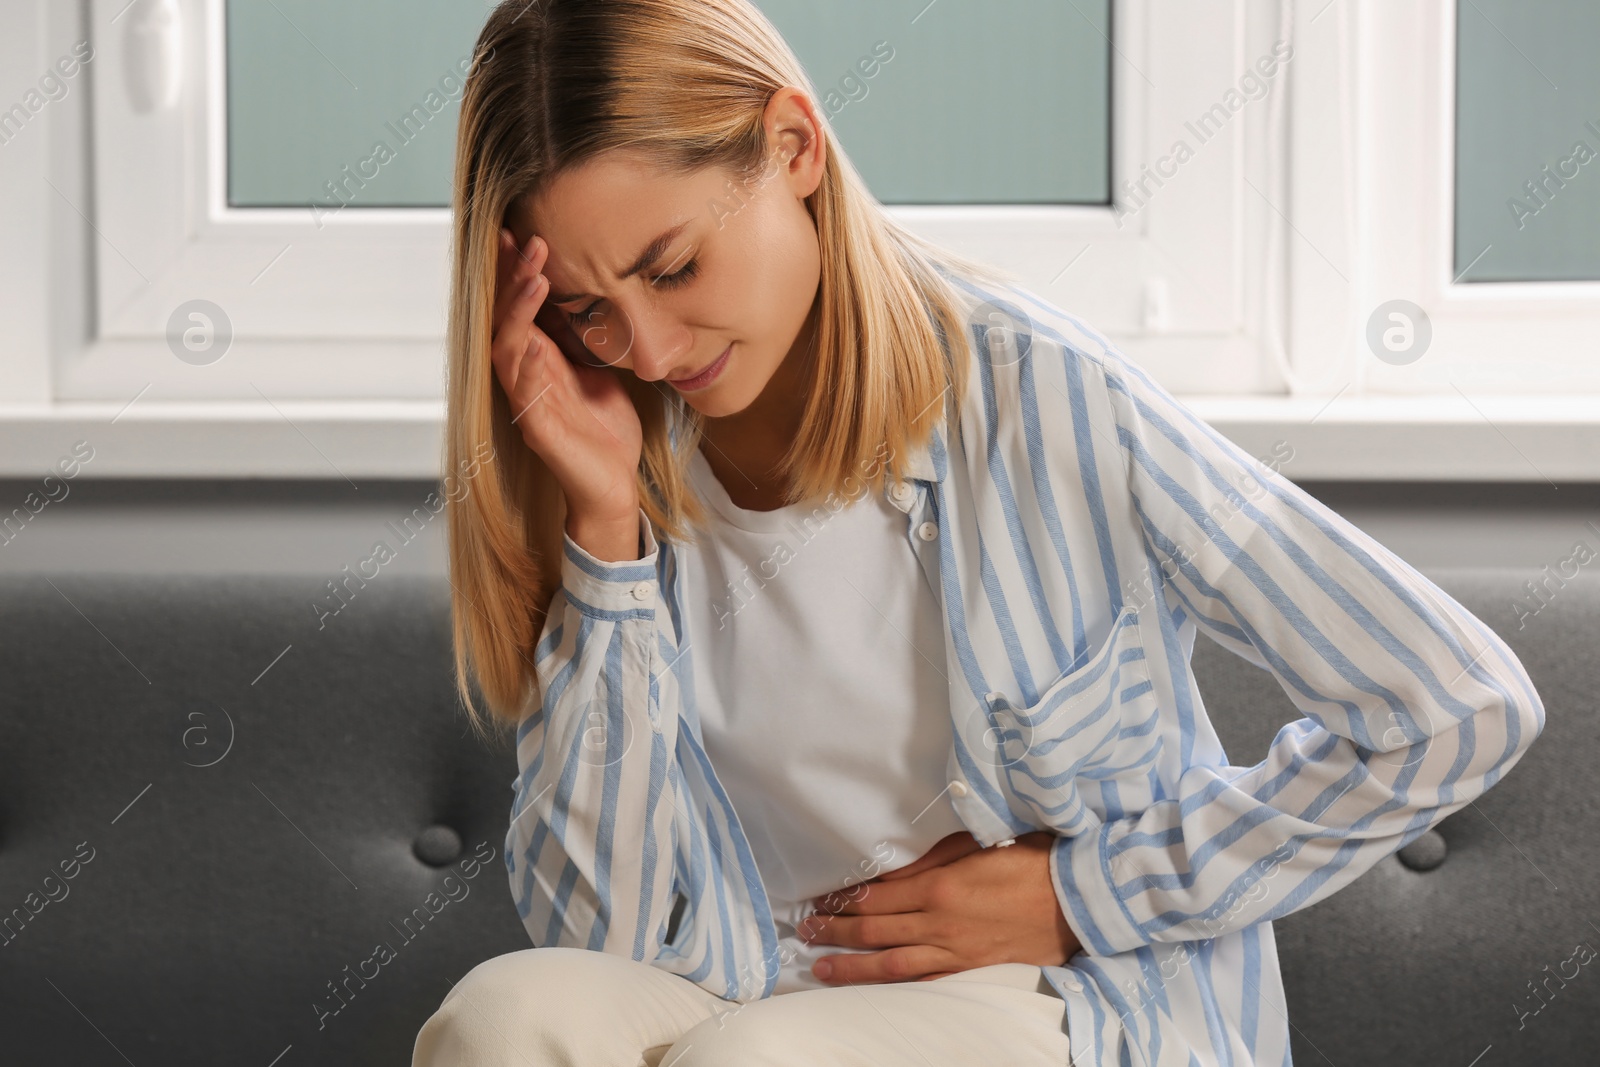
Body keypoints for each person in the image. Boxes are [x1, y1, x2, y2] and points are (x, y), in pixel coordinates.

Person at [414, 1, 1546, 1064]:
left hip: (1051, 999)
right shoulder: (621, 449)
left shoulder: (1043, 395)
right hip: (743, 974)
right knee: (501, 1013)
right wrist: (607, 534)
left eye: (675, 268)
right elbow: (596, 932)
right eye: (587, 309)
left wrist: (1082, 892)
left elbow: (1456, 707)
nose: (651, 351)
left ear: (793, 148)